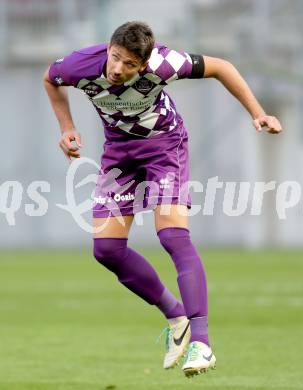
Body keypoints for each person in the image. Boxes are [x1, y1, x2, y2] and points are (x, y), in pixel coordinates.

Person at [43, 21, 282, 377]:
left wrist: (258, 113)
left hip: (164, 147)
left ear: (144, 64)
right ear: (109, 49)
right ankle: (176, 316)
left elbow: (221, 67)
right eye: (115, 58)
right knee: (106, 250)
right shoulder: (80, 65)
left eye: (129, 64)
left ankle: (202, 343)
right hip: (119, 154)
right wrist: (66, 127)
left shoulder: (165, 63)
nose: (118, 69)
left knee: (171, 235)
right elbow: (51, 78)